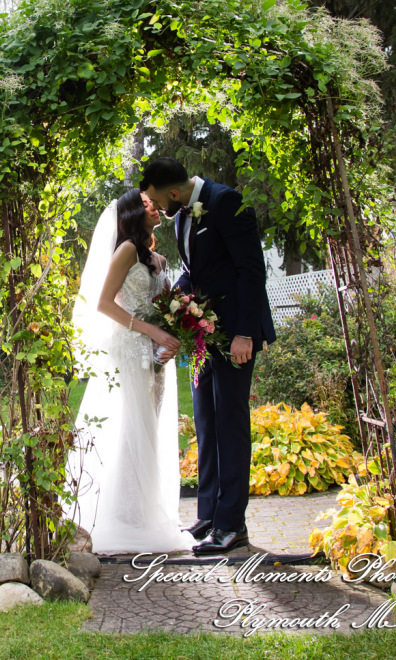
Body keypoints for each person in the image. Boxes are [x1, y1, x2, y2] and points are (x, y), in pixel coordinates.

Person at [140, 157, 276, 555]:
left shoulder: (227, 201)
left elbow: (252, 271)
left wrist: (245, 333)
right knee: (206, 424)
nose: (157, 209)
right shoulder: (184, 215)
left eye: (156, 200)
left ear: (175, 192)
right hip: (204, 338)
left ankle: (233, 526)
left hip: (235, 335)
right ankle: (209, 516)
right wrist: (173, 302)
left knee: (230, 426)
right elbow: (194, 271)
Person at [65, 188, 194, 555]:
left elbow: (163, 306)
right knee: (128, 429)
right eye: (148, 204)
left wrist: (175, 332)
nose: (155, 208)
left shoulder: (158, 258)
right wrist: (152, 331)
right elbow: (104, 304)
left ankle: (141, 513)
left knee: (147, 430)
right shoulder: (123, 252)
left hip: (154, 356)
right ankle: (120, 519)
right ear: (133, 212)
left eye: (156, 204)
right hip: (128, 349)